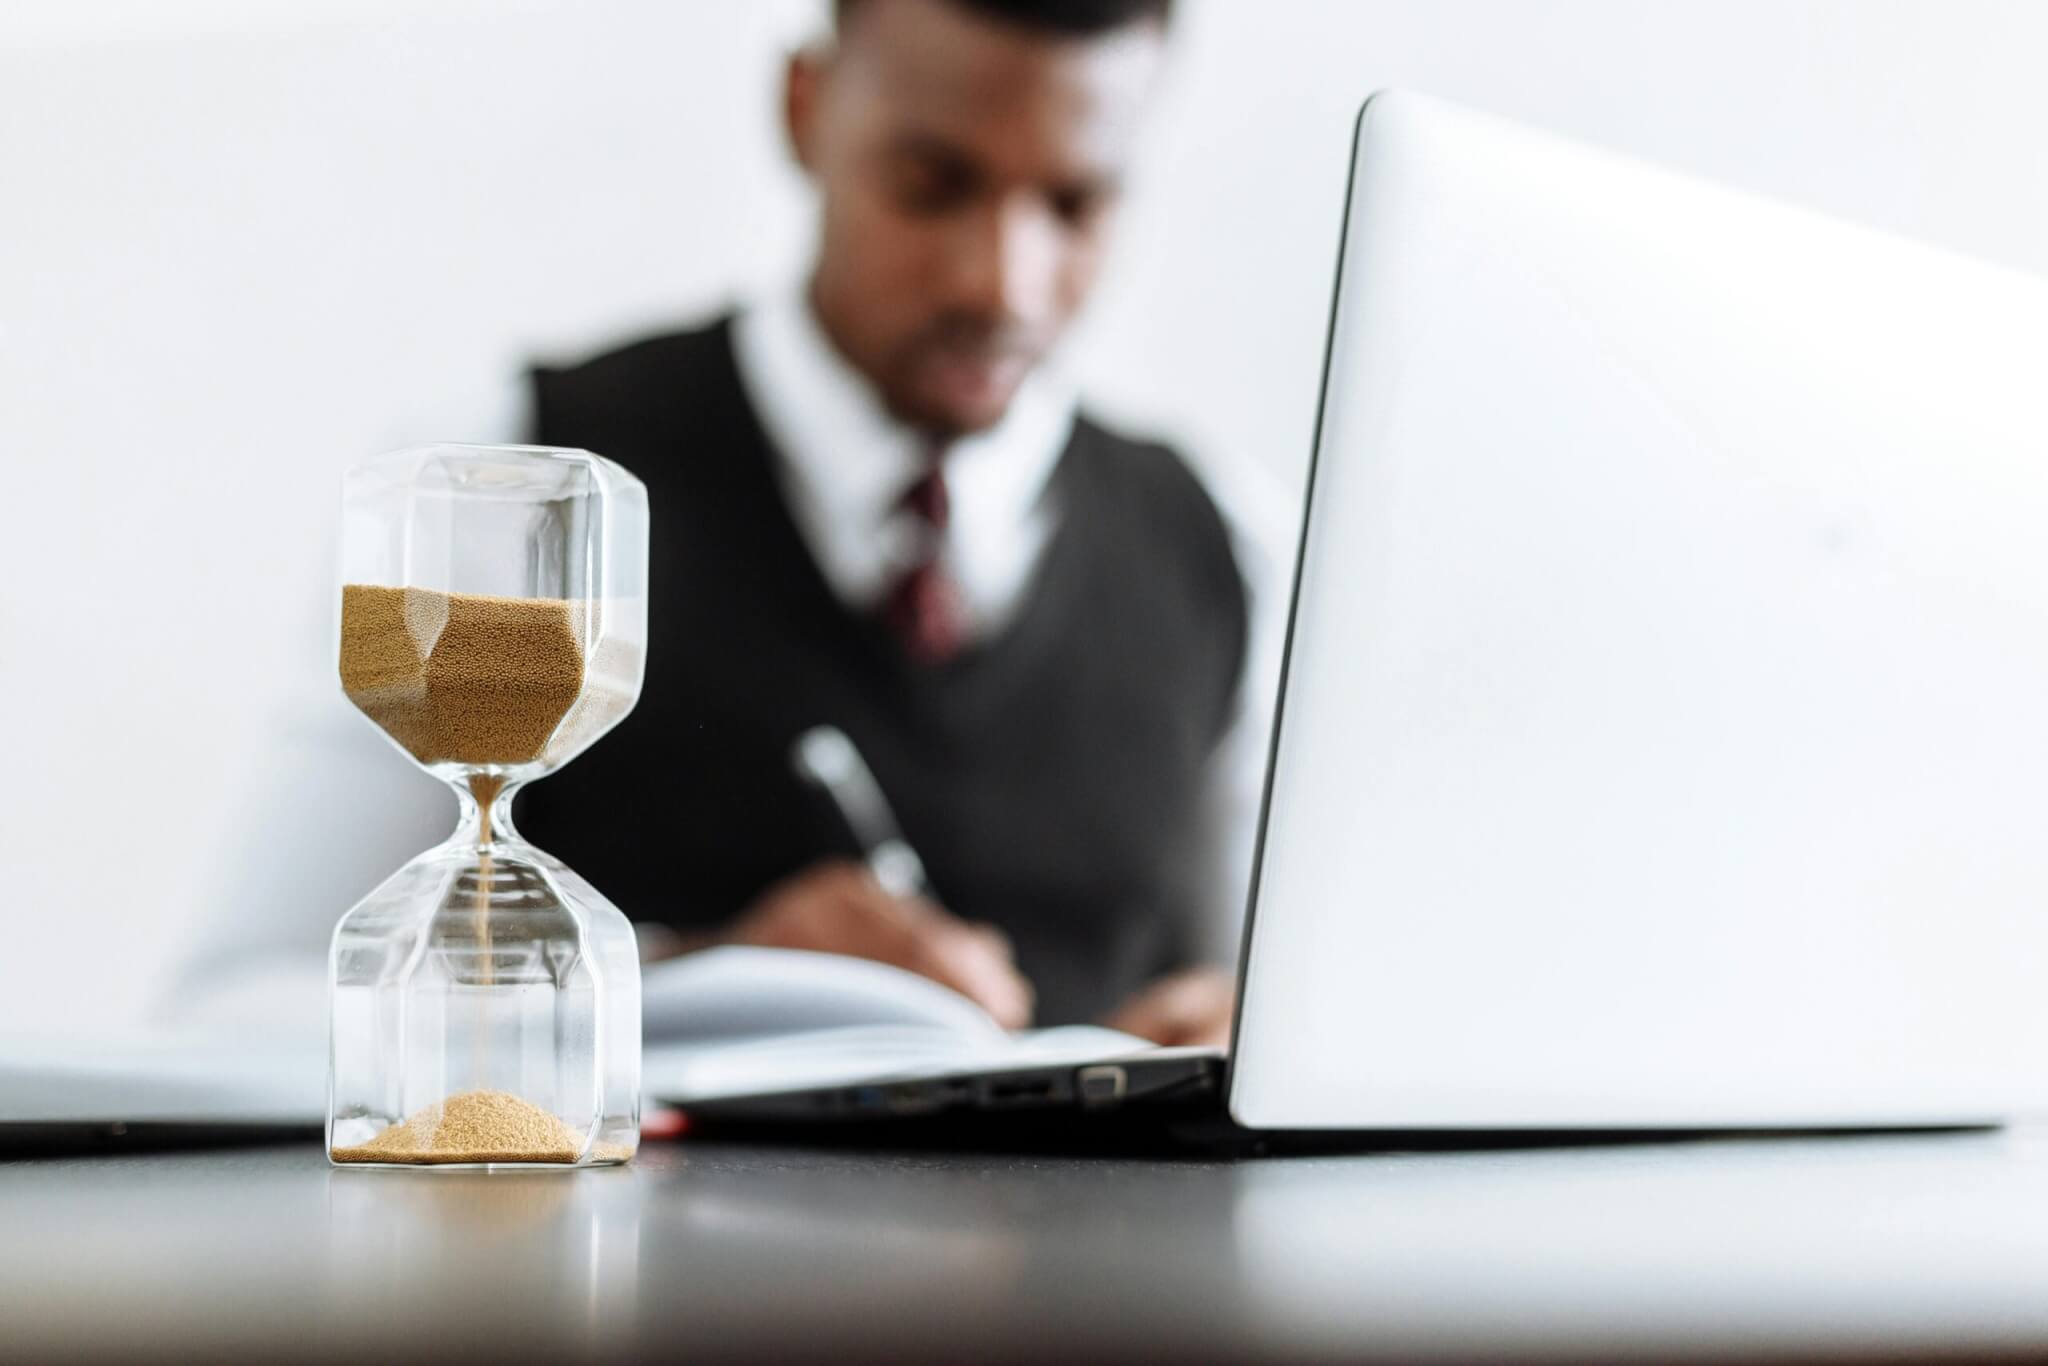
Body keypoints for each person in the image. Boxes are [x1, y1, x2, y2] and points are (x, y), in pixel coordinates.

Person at [521, 0, 1277, 1047]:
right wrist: (686, 982)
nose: (999, 285)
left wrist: (1250, 1032)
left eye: (1074, 204)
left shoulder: (1223, 538)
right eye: (932, 185)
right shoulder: (528, 480)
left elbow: (1274, 995)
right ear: (804, 108)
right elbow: (248, 1009)